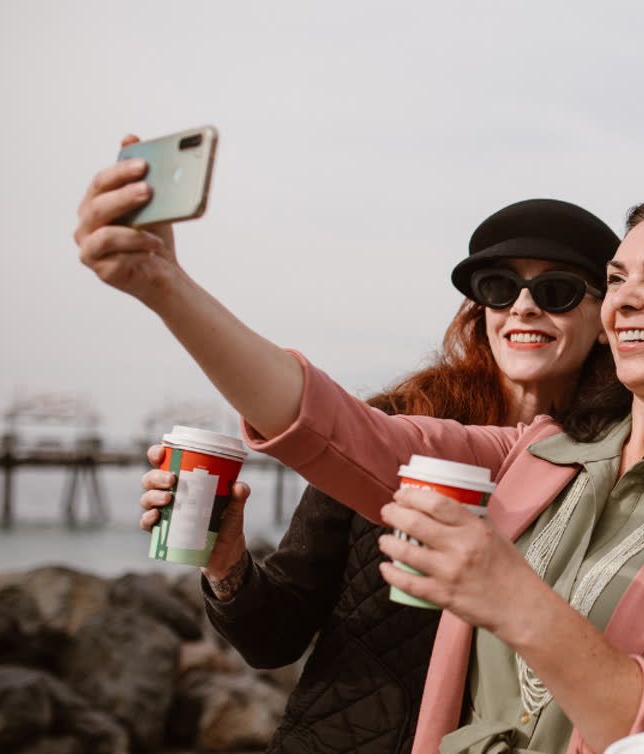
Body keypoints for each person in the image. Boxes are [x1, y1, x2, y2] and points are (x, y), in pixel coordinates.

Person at [74, 144, 644, 754]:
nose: (627, 297)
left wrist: (516, 600)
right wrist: (164, 286)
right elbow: (326, 424)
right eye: (619, 277)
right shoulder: (534, 452)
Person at [135, 198, 619, 754]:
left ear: (605, 320)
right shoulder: (388, 427)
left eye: (557, 291)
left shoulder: (617, 462)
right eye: (498, 287)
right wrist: (226, 565)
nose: (523, 308)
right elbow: (275, 638)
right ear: (479, 310)